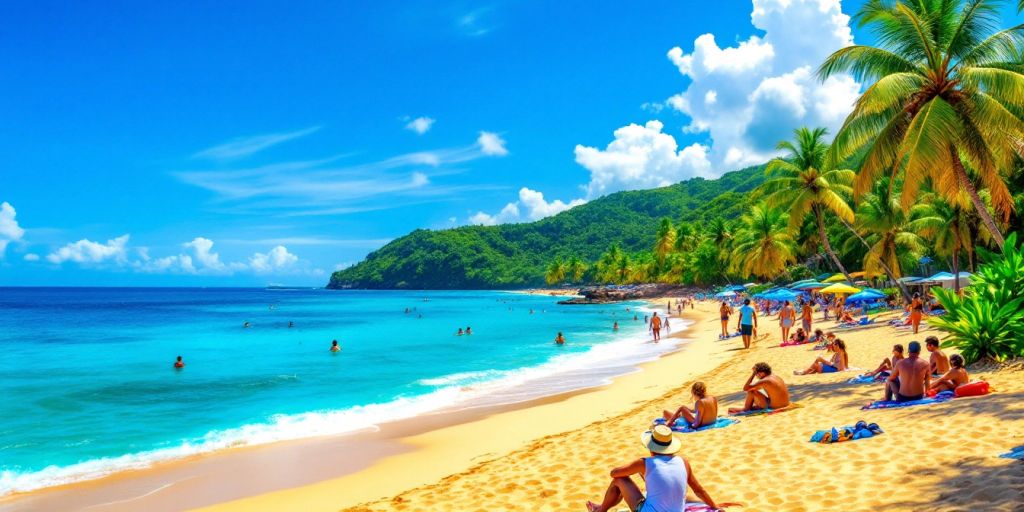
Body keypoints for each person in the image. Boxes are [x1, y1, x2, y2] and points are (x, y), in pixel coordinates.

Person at [585, 425, 723, 512]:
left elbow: (614, 473)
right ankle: (601, 508)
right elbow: (699, 490)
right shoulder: (683, 462)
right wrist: (715, 506)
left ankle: (601, 510)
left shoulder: (645, 463)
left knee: (619, 480)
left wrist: (637, 468)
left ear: (651, 447)